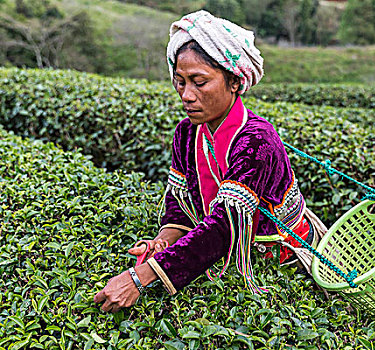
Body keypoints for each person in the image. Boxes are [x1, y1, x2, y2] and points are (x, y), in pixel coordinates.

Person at [94, 10, 327, 313]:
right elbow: (180, 207)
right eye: (180, 82)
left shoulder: (256, 140)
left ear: (233, 81)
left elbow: (223, 228)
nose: (186, 95)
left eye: (199, 82)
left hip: (281, 261)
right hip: (226, 255)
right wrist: (160, 244)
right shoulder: (187, 134)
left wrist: (139, 278)